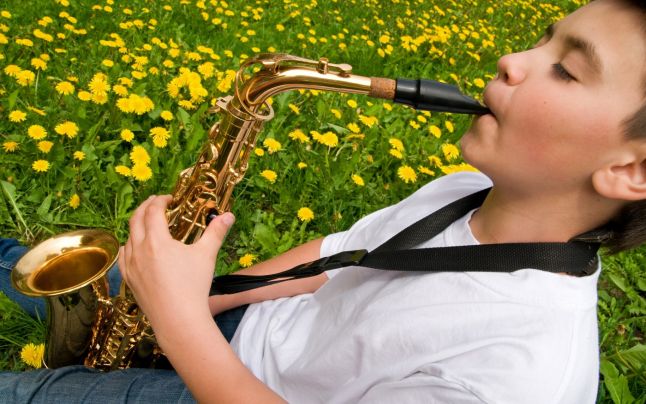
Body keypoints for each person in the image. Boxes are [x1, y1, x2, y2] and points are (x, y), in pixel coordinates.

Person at [2, 0, 646, 402]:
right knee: (27, 266)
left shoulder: (521, 375)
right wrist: (198, 296)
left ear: (631, 170)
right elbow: (332, 258)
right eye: (543, 38)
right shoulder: (467, 191)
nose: (511, 59)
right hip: (248, 330)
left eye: (567, 69)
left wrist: (178, 320)